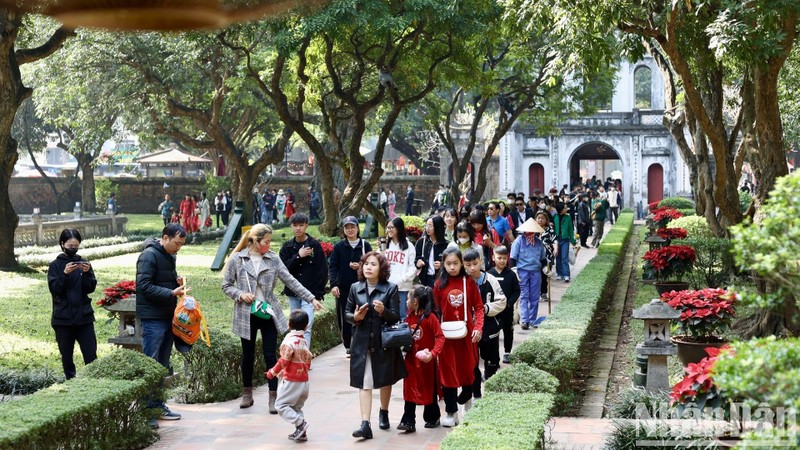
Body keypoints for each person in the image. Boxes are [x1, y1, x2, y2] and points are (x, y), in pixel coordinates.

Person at [222, 224, 320, 412]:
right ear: (255, 241)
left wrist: (311, 298)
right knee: (247, 355)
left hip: (268, 312)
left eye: (269, 241)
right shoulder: (238, 259)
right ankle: (247, 393)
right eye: (266, 242)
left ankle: (273, 396)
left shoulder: (273, 259)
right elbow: (226, 285)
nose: (269, 245)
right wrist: (240, 294)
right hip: (246, 314)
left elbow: (290, 280)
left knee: (270, 355)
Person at [345, 252, 406, 439]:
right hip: (362, 342)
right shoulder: (355, 288)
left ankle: (384, 411)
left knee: (384, 379)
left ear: (382, 269)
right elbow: (347, 313)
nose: (368, 267)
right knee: (365, 382)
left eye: (373, 264)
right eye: (365, 264)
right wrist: (355, 318)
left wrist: (383, 311)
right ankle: (365, 423)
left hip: (383, 342)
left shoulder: (391, 288)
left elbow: (396, 316)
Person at [136, 223, 188, 422]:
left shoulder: (169, 256)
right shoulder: (149, 255)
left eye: (181, 245)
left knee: (162, 365)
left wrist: (176, 281)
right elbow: (143, 286)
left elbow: (163, 279)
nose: (178, 248)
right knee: (151, 363)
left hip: (168, 316)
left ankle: (157, 405)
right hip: (152, 318)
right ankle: (147, 410)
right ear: (165, 237)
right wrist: (170, 292)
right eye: (176, 243)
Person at [433, 247, 484, 427]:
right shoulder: (439, 285)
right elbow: (435, 310)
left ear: (461, 263)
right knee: (447, 372)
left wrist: (478, 328)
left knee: (468, 368)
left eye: (455, 263)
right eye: (448, 264)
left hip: (467, 334)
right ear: (443, 264)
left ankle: (468, 402)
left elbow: (478, 308)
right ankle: (451, 412)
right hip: (446, 335)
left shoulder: (469, 283)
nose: (452, 267)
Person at [47, 228, 97, 380]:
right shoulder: (55, 265)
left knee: (91, 355)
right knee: (67, 357)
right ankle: (70, 383)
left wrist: (88, 273)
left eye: (76, 246)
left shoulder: (83, 263)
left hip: (84, 317)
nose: (73, 249)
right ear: (62, 244)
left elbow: (90, 288)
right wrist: (65, 274)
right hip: (63, 318)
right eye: (70, 246)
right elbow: (55, 289)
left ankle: (93, 384)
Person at [398, 285, 445, 432]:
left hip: (427, 363)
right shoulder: (409, 316)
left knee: (428, 389)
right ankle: (408, 420)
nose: (406, 302)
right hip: (411, 361)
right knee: (409, 389)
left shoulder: (430, 318)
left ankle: (432, 417)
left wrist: (432, 354)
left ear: (416, 301)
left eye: (408, 299)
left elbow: (440, 337)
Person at [462, 248, 506, 401]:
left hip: (489, 327)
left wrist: (487, 308)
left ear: (481, 261)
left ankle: (491, 389)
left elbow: (502, 301)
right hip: (469, 329)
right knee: (472, 361)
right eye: (468, 264)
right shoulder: (463, 282)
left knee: (491, 360)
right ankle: (477, 394)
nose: (472, 268)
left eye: (475, 263)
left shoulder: (490, 279)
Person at [279, 213, 327, 348]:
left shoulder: (314, 245)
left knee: (307, 326)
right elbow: (282, 270)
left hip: (310, 294)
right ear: (291, 227)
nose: (298, 229)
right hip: (293, 293)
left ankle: (304, 358)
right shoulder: (287, 247)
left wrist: (317, 294)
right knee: (295, 328)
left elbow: (322, 270)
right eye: (295, 225)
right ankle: (296, 357)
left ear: (306, 225)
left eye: (301, 225)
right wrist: (298, 256)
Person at [265, 310, 314, 442]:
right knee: (296, 407)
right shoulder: (304, 342)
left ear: (288, 324)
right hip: (304, 382)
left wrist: (272, 372)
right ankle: (301, 432)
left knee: (280, 405)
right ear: (306, 327)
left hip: (292, 381)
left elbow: (283, 361)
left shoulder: (289, 341)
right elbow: (308, 361)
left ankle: (301, 423)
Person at [329, 216, 372, 357]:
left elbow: (372, 263)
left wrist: (360, 266)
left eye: (352, 227)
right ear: (343, 230)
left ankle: (363, 342)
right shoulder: (339, 247)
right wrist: (334, 285)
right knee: (345, 317)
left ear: (358, 228)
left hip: (363, 287)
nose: (350, 230)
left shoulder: (365, 245)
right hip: (344, 288)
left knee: (365, 314)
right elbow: (333, 267)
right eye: (347, 227)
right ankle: (348, 345)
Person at [510, 218, 546, 330]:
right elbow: (512, 258)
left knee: (534, 296)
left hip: (536, 272)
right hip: (522, 272)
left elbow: (543, 259)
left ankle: (532, 319)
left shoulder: (539, 243)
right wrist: (514, 270)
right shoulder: (518, 241)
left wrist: (545, 268)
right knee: (524, 295)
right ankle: (525, 320)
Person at [488, 246, 520, 364]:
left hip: (507, 309)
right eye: (499, 258)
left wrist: (509, 303)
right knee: (493, 332)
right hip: (494, 310)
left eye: (504, 258)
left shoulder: (511, 274)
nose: (502, 260)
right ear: (493, 258)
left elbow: (517, 291)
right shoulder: (489, 274)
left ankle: (507, 352)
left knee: (508, 330)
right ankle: (493, 354)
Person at [382, 217, 416, 321]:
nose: (389, 230)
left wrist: (402, 279)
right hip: (387, 288)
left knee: (402, 317)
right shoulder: (384, 246)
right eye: (387, 228)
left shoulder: (409, 246)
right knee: (387, 316)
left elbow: (412, 268)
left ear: (399, 228)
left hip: (403, 288)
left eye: (391, 227)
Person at [414, 215, 449, 288]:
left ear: (437, 227)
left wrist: (442, 265)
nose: (427, 228)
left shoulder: (446, 245)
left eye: (430, 226)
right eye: (426, 225)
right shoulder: (421, 242)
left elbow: (450, 262)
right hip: (424, 279)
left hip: (440, 279)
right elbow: (415, 259)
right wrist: (418, 262)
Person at [536, 211, 557, 300]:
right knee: (536, 276)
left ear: (546, 220)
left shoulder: (550, 230)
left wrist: (556, 249)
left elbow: (554, 240)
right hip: (535, 256)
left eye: (542, 218)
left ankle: (544, 293)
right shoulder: (532, 229)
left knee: (545, 275)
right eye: (538, 218)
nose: (540, 220)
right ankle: (535, 293)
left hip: (547, 256)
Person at [554, 203, 577, 282]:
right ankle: (559, 274)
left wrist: (573, 240)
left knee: (564, 257)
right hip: (557, 239)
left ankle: (566, 274)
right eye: (565, 208)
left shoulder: (568, 217)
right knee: (558, 257)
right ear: (560, 209)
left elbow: (571, 229)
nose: (566, 209)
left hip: (565, 239)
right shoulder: (555, 217)